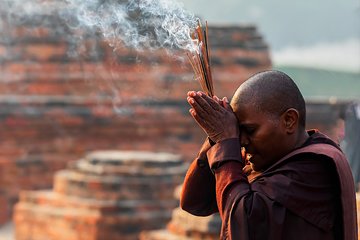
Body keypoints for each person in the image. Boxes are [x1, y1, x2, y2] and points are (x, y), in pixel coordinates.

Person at [180, 70, 357, 240]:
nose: (242, 141)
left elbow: (244, 228)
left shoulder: (315, 167)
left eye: (250, 130)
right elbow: (195, 202)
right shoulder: (270, 159)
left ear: (289, 121)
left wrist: (226, 141)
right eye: (238, 131)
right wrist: (215, 139)